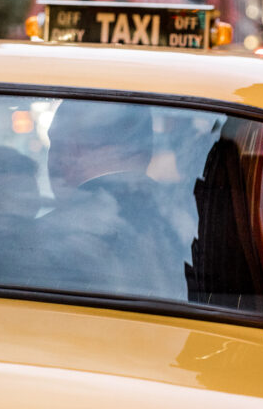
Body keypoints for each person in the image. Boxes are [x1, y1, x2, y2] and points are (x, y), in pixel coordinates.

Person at [36, 99, 186, 299]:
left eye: (58, 144)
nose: (56, 158)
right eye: (54, 145)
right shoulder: (192, 220)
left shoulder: (38, 239)